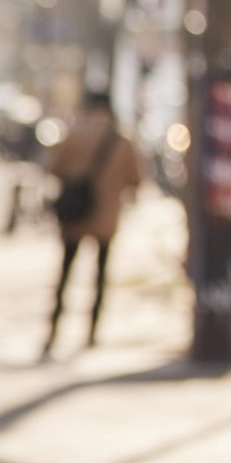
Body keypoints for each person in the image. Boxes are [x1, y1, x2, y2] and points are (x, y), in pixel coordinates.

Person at [43, 87, 142, 354]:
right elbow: (136, 180)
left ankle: (53, 329)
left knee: (65, 274)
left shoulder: (73, 134)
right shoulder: (122, 141)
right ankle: (92, 332)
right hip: (106, 219)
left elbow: (53, 168)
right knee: (100, 276)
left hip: (75, 216)